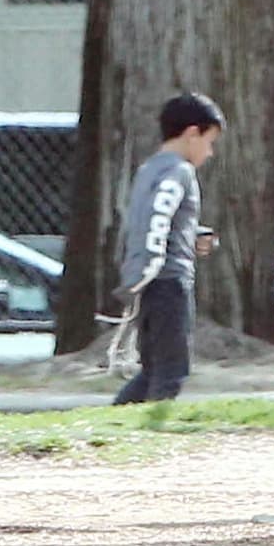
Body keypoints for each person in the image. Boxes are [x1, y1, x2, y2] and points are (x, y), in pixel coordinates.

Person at [112, 92, 225, 404]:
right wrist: (149, 266)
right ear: (192, 134)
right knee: (171, 371)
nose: (210, 152)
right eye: (209, 141)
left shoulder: (149, 169)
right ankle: (152, 432)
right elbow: (158, 216)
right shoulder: (179, 171)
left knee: (152, 369)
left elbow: (156, 217)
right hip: (169, 281)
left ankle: (119, 419)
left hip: (152, 281)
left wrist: (194, 235)